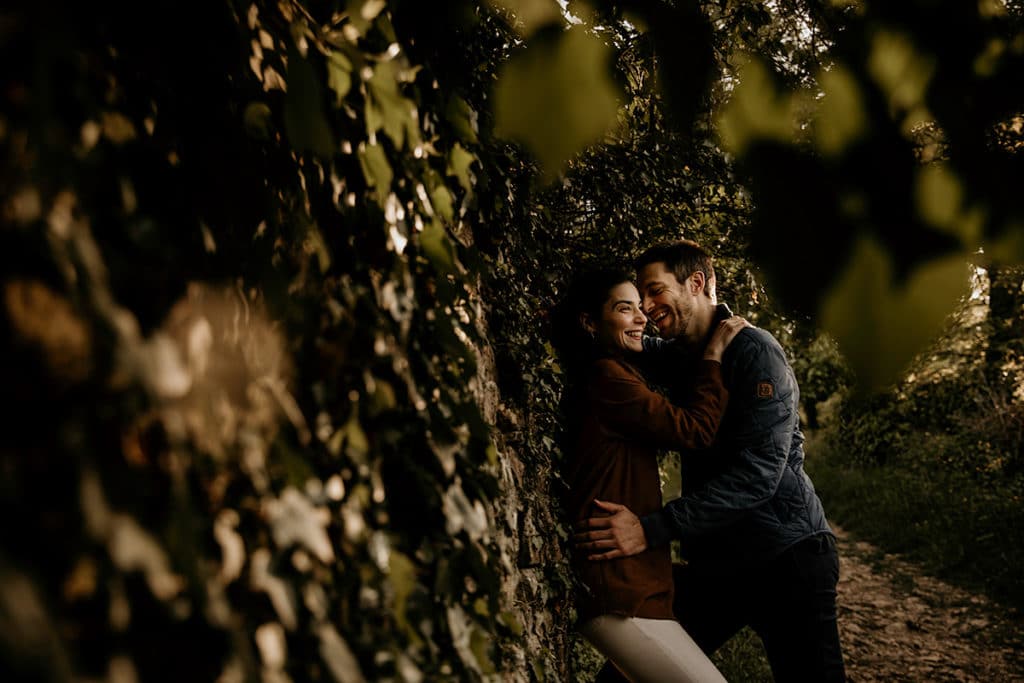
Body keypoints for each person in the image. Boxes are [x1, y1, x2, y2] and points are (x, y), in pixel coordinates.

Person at [574, 240, 847, 682]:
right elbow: (616, 337)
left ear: (696, 283)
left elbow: (759, 474)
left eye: (655, 291)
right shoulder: (677, 354)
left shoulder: (755, 351)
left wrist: (649, 528)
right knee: (626, 676)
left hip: (786, 558)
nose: (647, 307)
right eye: (640, 297)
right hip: (721, 565)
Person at [552, 267, 749, 683]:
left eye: (640, 308)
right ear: (590, 322)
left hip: (636, 580)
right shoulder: (607, 377)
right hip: (618, 584)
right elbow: (694, 430)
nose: (642, 317)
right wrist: (713, 356)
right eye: (625, 309)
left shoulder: (617, 374)